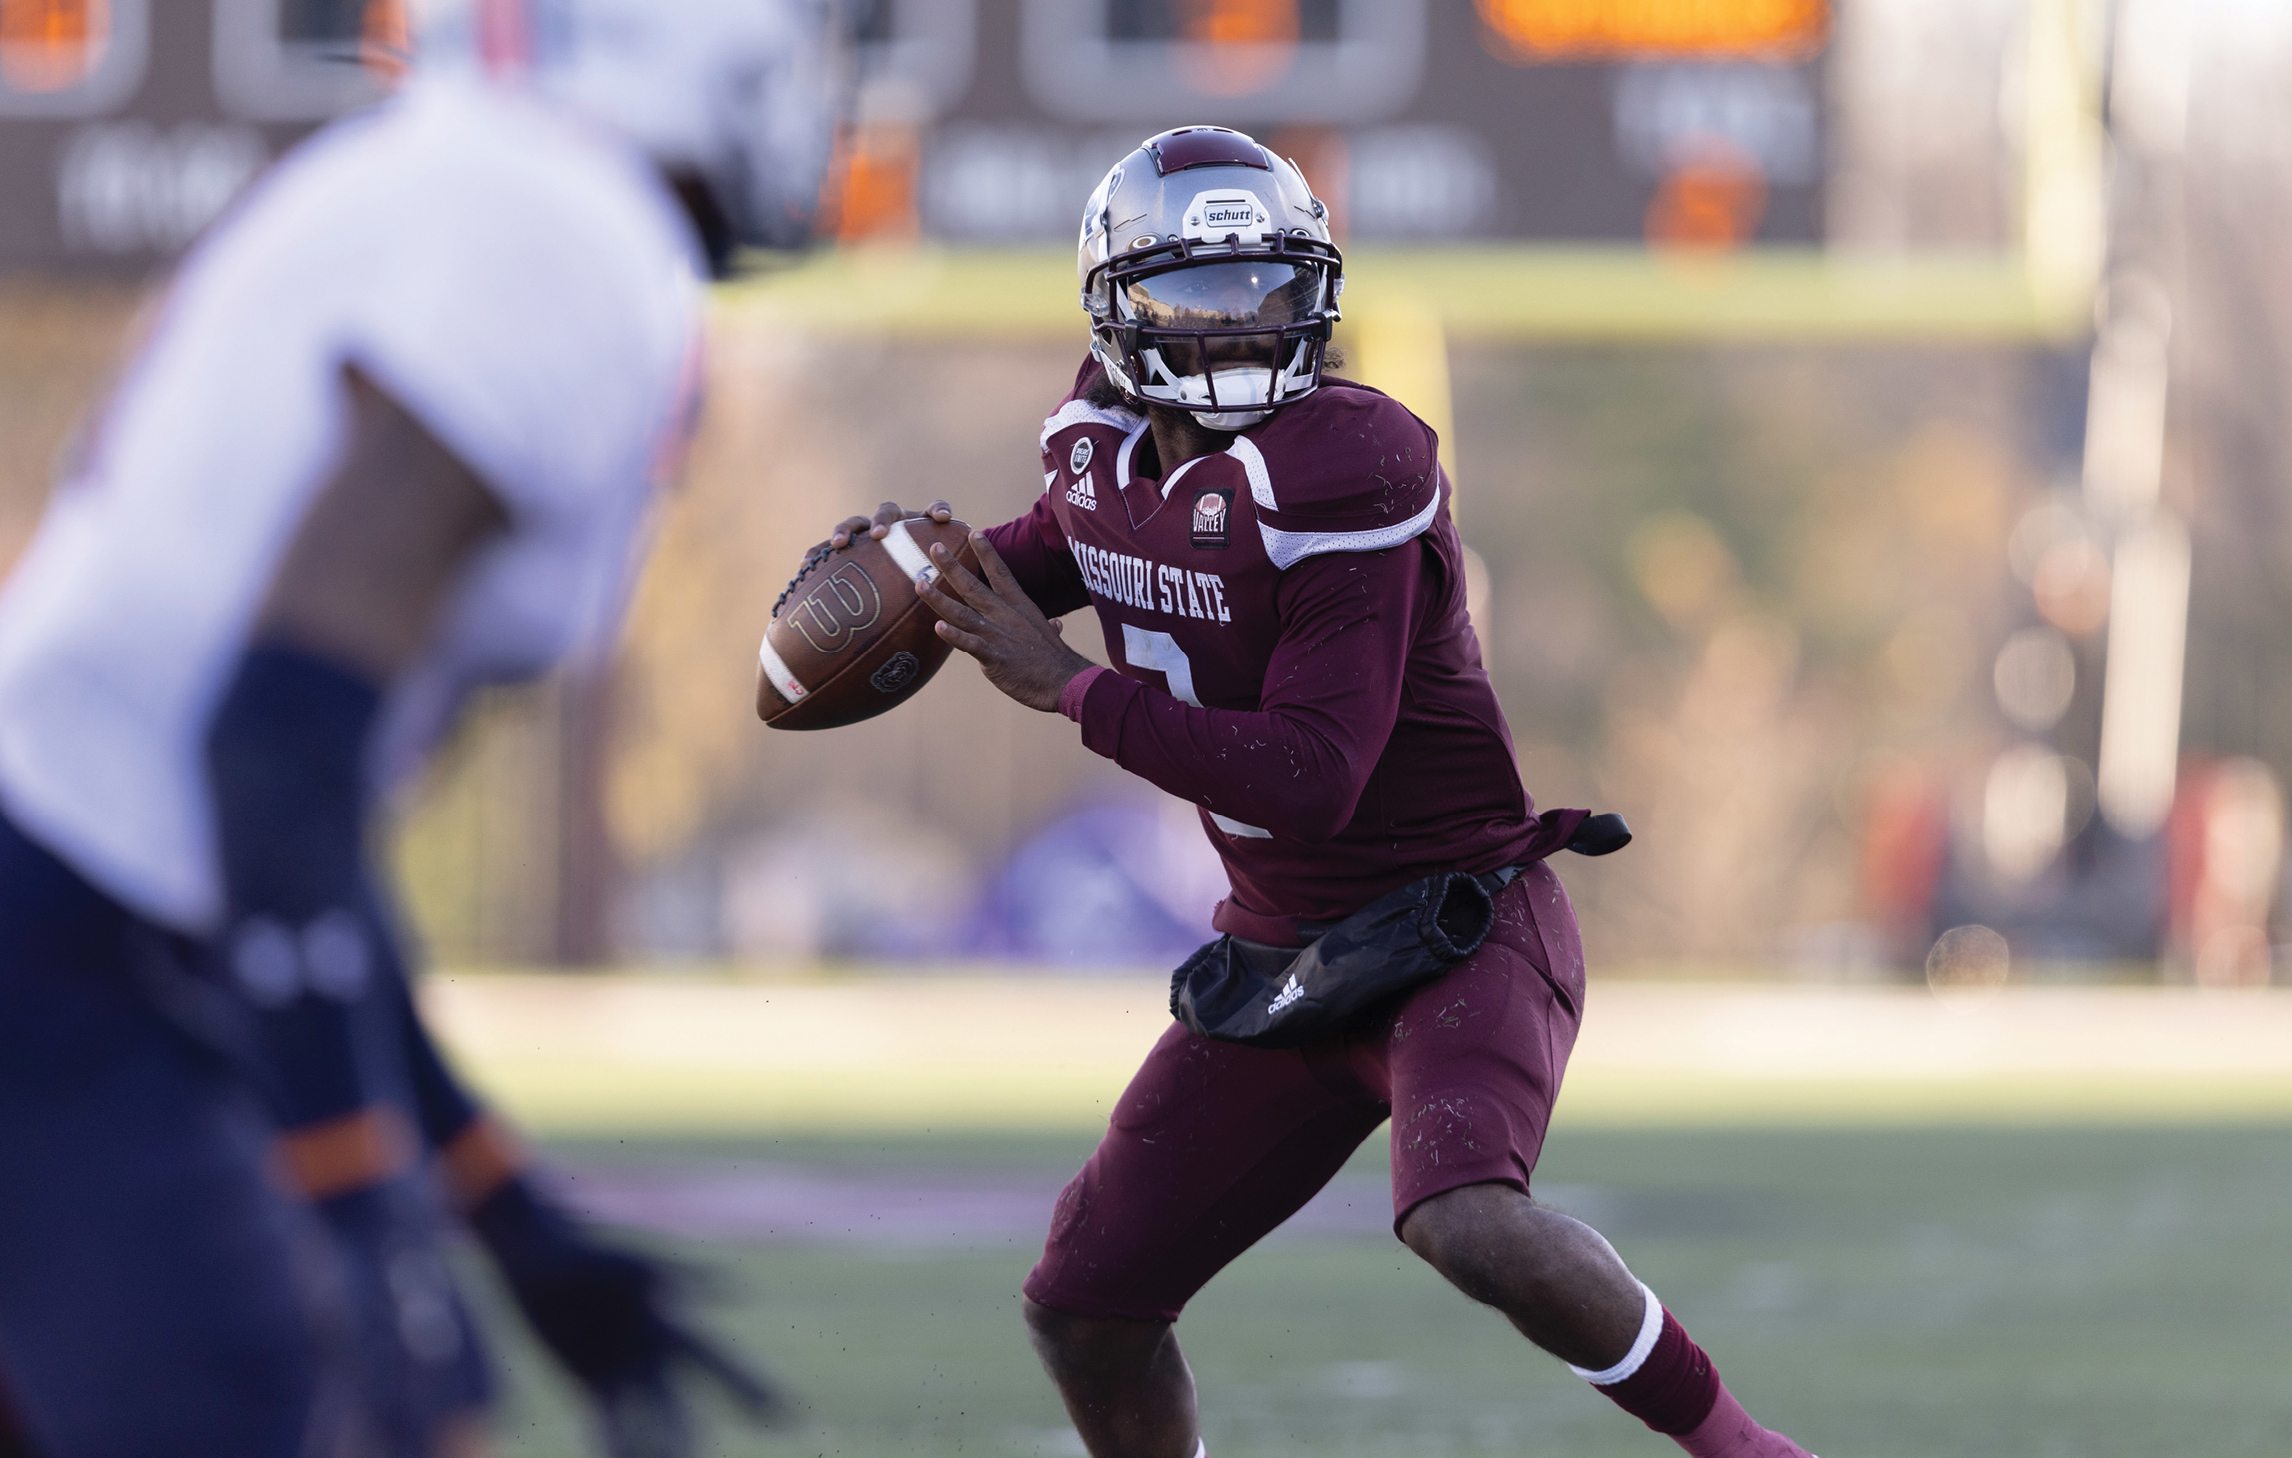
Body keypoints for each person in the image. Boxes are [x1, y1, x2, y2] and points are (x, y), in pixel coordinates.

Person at [835, 126, 1819, 1458]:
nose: (1238, 331)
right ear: (1118, 313)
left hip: (1453, 927)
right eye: (1197, 299)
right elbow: (1032, 565)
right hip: (1287, 956)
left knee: (1464, 1216)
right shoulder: (1100, 454)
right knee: (1086, 1303)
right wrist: (910, 575)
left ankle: (1755, 1453)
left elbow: (1313, 773)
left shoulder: (1348, 465)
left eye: (1269, 294)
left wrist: (1070, 687)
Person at [0, 2, 842, 1454]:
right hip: (73, 956)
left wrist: (506, 1214)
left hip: (80, 912)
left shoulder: (460, 176)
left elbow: (284, 836)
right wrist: (373, 1221)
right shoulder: (567, 235)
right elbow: (267, 759)